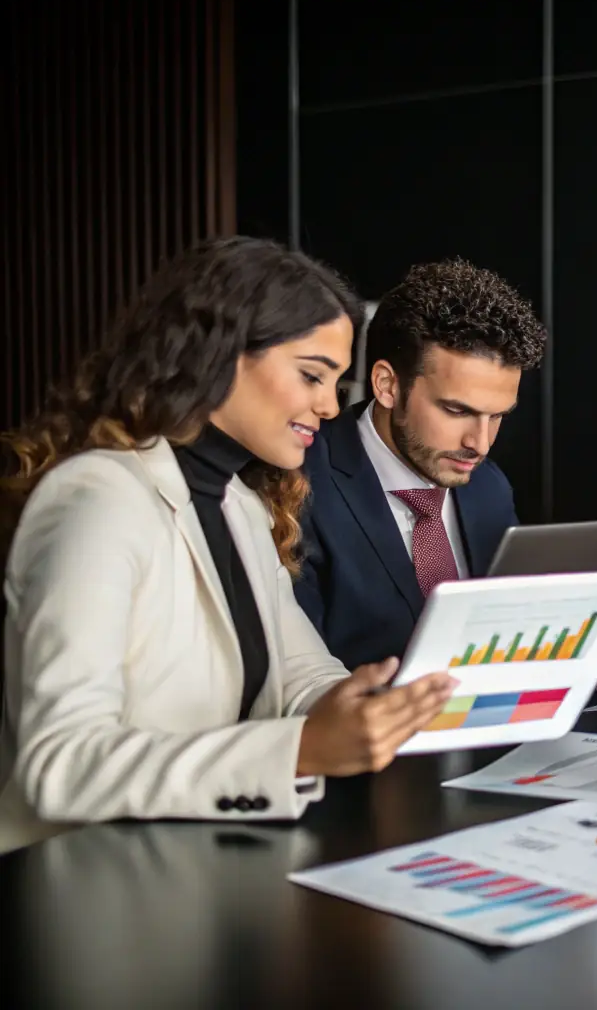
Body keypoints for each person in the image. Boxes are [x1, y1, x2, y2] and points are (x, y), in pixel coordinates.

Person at [0, 237, 456, 855]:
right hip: (78, 878)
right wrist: (301, 749)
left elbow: (303, 674)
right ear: (220, 356)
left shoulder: (242, 504)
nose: (329, 405)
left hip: (193, 864)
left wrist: (382, 707)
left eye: (337, 382)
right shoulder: (97, 497)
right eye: (311, 376)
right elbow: (61, 762)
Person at [295, 259, 597, 698]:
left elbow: (502, 643)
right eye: (457, 411)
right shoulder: (296, 485)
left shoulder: (488, 487)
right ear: (387, 385)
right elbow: (293, 681)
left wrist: (580, 668)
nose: (480, 444)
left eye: (497, 416)